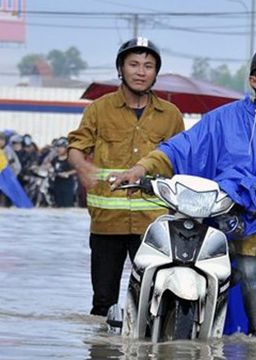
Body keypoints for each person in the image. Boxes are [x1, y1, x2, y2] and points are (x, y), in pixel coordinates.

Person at [111, 42, 256, 336]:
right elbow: (182, 147)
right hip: (251, 243)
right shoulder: (226, 119)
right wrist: (141, 168)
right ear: (254, 81)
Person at [67, 37, 185, 318]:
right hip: (107, 224)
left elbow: (182, 160)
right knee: (103, 303)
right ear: (121, 68)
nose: (141, 72)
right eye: (133, 64)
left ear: (156, 72)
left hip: (154, 225)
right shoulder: (98, 109)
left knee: (155, 303)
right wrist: (81, 166)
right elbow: (75, 146)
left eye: (148, 65)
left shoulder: (170, 115)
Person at [50, 137, 77, 207]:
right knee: (58, 202)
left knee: (67, 203)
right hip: (57, 183)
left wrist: (67, 173)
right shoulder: (55, 159)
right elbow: (49, 166)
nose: (59, 149)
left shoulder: (70, 159)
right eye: (58, 147)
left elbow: (76, 169)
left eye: (61, 147)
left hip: (67, 184)